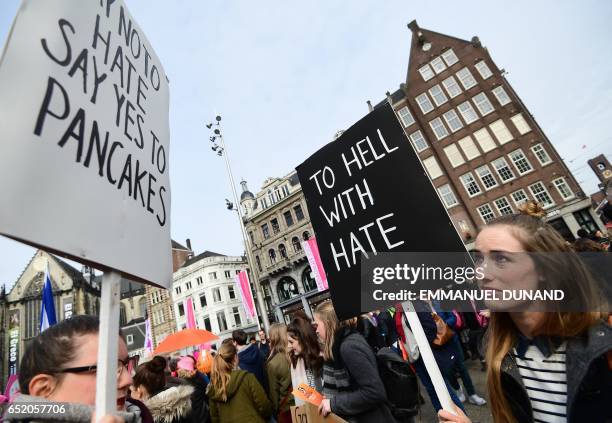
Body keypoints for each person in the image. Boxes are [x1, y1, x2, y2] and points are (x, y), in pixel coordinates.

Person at [439, 201, 612, 423]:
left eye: (501, 259)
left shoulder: (602, 350)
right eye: (479, 258)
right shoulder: (502, 356)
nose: (481, 273)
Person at [4, 315, 153, 423]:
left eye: (127, 365)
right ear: (43, 390)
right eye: (108, 368)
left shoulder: (142, 415)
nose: (128, 379)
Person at [313, 301, 397, 422]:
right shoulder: (342, 344)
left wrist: (333, 404)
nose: (316, 331)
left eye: (317, 325)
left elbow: (374, 392)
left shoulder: (348, 347)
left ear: (328, 323)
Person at [432, 301, 487, 406]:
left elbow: (453, 318)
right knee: (448, 371)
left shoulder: (440, 302)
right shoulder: (422, 309)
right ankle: (458, 389)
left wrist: (442, 326)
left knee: (462, 368)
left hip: (452, 341)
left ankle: (472, 395)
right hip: (439, 346)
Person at [207, 342, 272, 423]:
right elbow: (264, 406)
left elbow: (215, 418)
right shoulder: (247, 378)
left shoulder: (213, 387)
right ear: (235, 357)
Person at [131, 356, 195, 423]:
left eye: (131, 389)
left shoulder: (147, 417)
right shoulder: (183, 403)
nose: (131, 394)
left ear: (139, 389)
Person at [287, 315, 324, 402]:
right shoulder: (296, 362)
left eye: (291, 342)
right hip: (312, 411)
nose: (289, 346)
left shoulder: (323, 358)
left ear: (302, 339)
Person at [265, 323, 294, 423]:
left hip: (287, 409)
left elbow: (274, 393)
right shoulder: (296, 353)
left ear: (273, 339)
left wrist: (275, 410)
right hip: (302, 403)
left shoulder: (273, 363)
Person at [175, 356, 210, 423]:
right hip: (204, 416)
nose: (178, 369)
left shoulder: (181, 384)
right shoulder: (199, 377)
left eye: (179, 367)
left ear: (183, 369)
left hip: (192, 418)